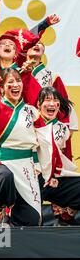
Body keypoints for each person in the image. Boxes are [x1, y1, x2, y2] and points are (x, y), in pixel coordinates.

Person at [0, 41, 54, 227]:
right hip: (2, 164)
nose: (15, 85)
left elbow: (46, 138)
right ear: (1, 88)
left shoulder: (32, 111)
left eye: (18, 81)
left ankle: (11, 227)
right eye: (10, 82)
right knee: (5, 177)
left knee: (32, 220)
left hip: (27, 167)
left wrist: (48, 169)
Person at [34, 87, 80, 226]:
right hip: (33, 177)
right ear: (38, 105)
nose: (52, 104)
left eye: (55, 100)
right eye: (47, 100)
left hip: (54, 177)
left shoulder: (62, 129)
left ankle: (65, 217)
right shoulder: (29, 124)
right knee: (29, 219)